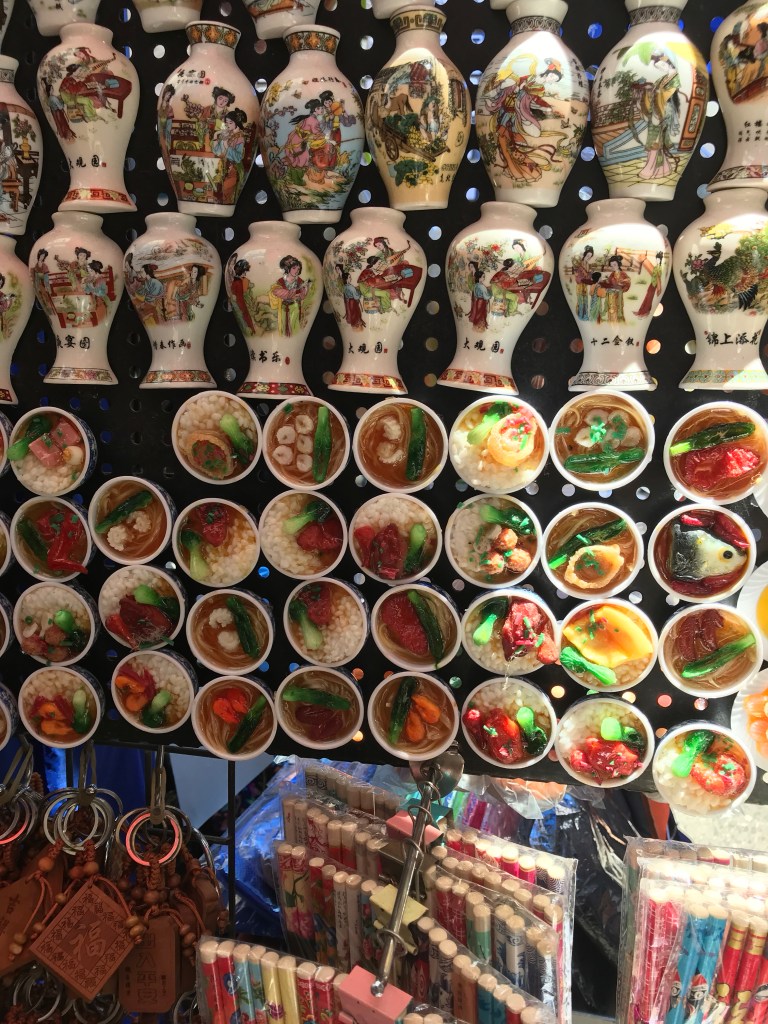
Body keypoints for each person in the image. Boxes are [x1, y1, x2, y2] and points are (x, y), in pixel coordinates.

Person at [638, 51, 681, 181]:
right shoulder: (662, 78)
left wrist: (657, 93)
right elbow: (653, 89)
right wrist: (648, 90)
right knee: (653, 134)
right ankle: (657, 167)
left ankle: (656, 168)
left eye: (662, 66)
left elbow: (668, 93)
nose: (661, 69)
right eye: (659, 67)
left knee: (658, 137)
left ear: (669, 63)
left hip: (666, 109)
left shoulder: (675, 78)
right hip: (656, 109)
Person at [212, 109, 248, 203]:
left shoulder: (240, 138)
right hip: (223, 167)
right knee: (218, 190)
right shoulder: (228, 134)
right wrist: (216, 135)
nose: (227, 125)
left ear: (237, 123)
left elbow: (238, 157)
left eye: (230, 122)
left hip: (233, 169)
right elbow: (216, 151)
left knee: (227, 191)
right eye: (226, 122)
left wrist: (226, 145)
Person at [269, 255, 310, 337]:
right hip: (284, 308)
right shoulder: (281, 281)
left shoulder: (300, 281)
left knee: (294, 326)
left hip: (295, 307)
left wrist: (305, 289)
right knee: (284, 326)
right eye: (294, 268)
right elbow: (275, 291)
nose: (296, 271)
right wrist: (288, 293)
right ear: (288, 268)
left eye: (298, 269)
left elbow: (302, 296)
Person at [601, 254, 631, 323]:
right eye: (611, 266)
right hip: (611, 295)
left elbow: (627, 282)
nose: (613, 267)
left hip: (618, 295)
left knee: (618, 308)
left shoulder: (623, 274)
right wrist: (602, 282)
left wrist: (620, 286)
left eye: (614, 265)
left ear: (618, 264)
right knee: (611, 309)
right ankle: (611, 322)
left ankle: (619, 322)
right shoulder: (612, 274)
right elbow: (608, 281)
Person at [229, 258, 255, 334]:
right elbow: (239, 292)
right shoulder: (238, 282)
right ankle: (251, 330)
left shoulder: (239, 280)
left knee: (245, 315)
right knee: (245, 315)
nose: (245, 273)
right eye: (245, 271)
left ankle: (252, 329)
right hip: (240, 301)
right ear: (241, 271)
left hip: (241, 300)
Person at [636, 251, 665, 316]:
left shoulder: (659, 267)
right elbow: (654, 274)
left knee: (649, 297)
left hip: (654, 284)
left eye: (658, 259)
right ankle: (643, 311)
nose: (657, 261)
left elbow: (657, 277)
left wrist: (659, 287)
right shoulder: (657, 267)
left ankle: (644, 311)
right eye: (657, 259)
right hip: (653, 283)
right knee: (648, 296)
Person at [573, 245, 596, 321]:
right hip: (580, 284)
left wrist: (590, 273)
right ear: (585, 254)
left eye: (590, 256)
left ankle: (585, 315)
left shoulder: (587, 265)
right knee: (581, 300)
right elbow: (577, 275)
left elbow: (588, 277)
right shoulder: (580, 264)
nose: (589, 257)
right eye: (588, 255)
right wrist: (585, 275)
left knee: (585, 300)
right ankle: (580, 315)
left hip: (585, 285)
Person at [339, 265, 364, 331]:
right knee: (355, 312)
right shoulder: (351, 287)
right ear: (346, 279)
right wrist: (359, 293)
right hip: (353, 301)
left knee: (351, 312)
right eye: (349, 277)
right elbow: (356, 297)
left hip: (348, 301)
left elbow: (346, 294)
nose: (351, 279)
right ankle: (356, 324)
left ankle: (354, 324)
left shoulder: (345, 286)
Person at [468, 261, 490, 332]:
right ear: (479, 278)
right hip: (482, 301)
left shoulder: (476, 285)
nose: (484, 278)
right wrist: (489, 295)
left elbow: (475, 293)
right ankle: (480, 326)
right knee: (481, 313)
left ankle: (476, 325)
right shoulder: (482, 286)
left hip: (477, 300)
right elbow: (486, 296)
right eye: (483, 277)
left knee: (478, 312)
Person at [158, 84, 175, 156]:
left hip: (166, 127)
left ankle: (167, 151)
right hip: (160, 127)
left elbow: (169, 125)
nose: (168, 96)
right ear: (164, 93)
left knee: (167, 134)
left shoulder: (170, 108)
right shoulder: (159, 104)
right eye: (167, 94)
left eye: (169, 95)